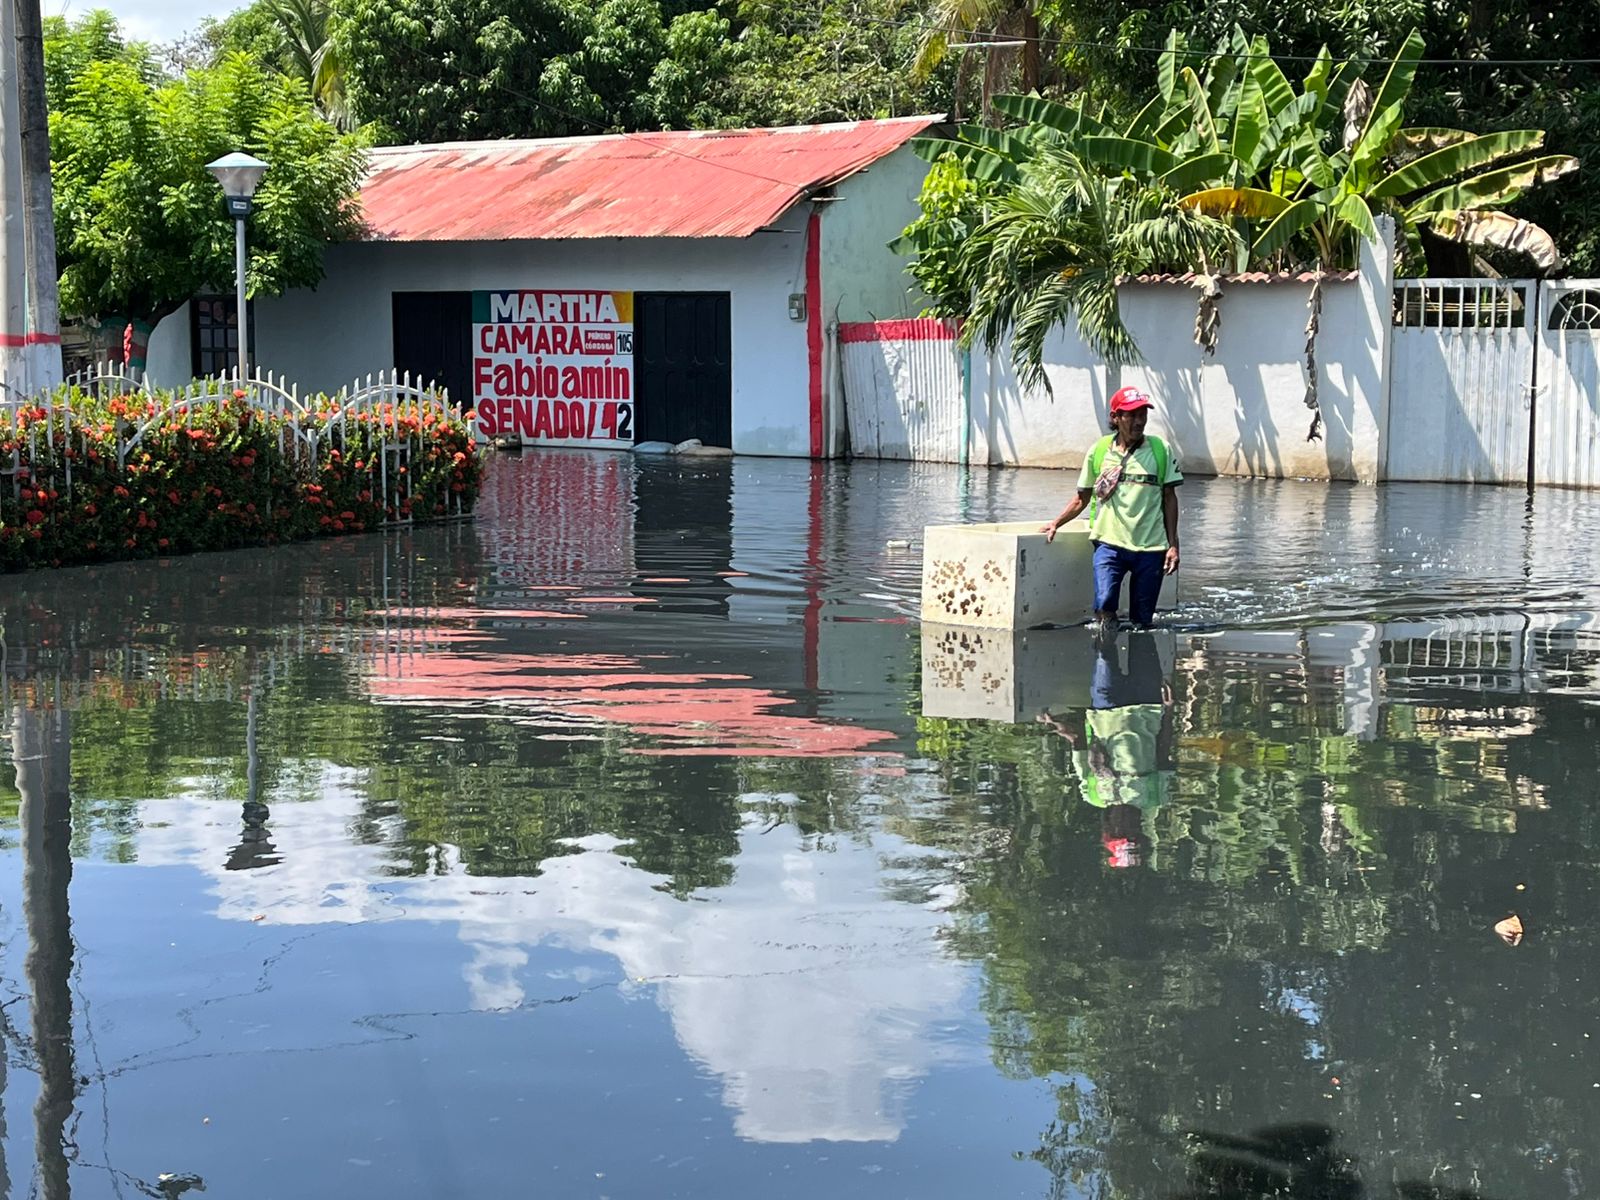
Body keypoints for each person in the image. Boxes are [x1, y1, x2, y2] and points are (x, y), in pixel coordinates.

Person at [1040, 386, 1182, 631]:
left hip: (1151, 547)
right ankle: (1106, 646)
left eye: (1143, 415)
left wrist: (1173, 545)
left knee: (1142, 621)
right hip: (1109, 543)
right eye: (1132, 415)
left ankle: (1135, 650)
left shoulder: (1161, 450)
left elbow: (1170, 499)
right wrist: (1056, 523)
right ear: (1116, 418)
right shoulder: (1099, 451)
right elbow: (1081, 498)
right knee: (1105, 602)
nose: (1139, 421)